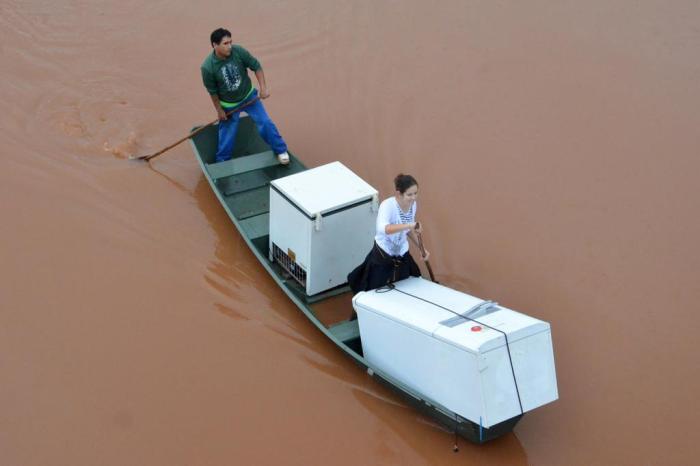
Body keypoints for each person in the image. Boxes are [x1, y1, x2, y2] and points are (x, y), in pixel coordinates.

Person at [201, 28, 290, 164]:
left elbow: (257, 67)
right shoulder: (207, 67)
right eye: (225, 44)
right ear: (214, 45)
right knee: (227, 135)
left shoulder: (238, 51)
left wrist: (263, 89)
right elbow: (212, 92)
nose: (230, 46)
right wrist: (219, 111)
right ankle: (222, 162)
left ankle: (280, 150)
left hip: (250, 97)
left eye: (230, 42)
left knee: (265, 123)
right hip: (229, 105)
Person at [347, 174, 430, 297]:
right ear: (399, 193)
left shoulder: (413, 205)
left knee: (410, 283)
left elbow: (408, 230)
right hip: (384, 253)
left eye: (415, 193)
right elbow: (383, 229)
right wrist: (409, 225)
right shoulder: (387, 206)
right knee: (373, 290)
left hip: (401, 252)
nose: (413, 198)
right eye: (409, 194)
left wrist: (421, 248)